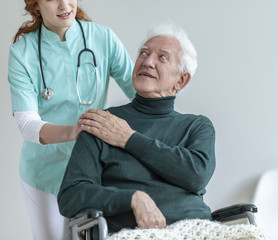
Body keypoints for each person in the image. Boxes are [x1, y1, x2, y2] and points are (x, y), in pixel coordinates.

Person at [57, 23, 216, 233]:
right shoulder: (103, 123)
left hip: (198, 231)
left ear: (181, 80)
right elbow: (71, 195)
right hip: (130, 234)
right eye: (143, 53)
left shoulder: (196, 126)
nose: (147, 62)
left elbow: (196, 176)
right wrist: (132, 198)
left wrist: (129, 139)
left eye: (162, 57)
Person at [8, 0, 135, 239]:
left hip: (95, 169)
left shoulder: (103, 38)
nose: (64, 4)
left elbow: (139, 94)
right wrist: (74, 131)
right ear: (35, 5)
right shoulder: (21, 54)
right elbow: (27, 124)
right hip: (45, 173)